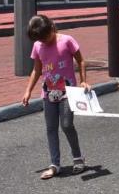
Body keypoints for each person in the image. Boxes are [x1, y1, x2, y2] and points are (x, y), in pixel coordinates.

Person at [22, 15, 88, 180]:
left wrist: (83, 81)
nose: (44, 41)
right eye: (40, 39)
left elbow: (81, 60)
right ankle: (55, 164)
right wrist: (28, 90)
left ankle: (78, 157)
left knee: (66, 125)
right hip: (48, 94)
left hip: (68, 92)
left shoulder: (66, 40)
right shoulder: (38, 46)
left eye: (46, 37)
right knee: (51, 128)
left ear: (52, 28)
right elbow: (37, 69)